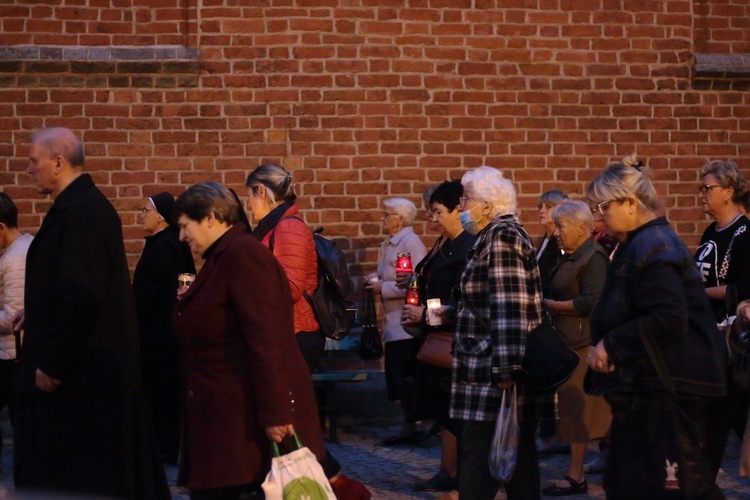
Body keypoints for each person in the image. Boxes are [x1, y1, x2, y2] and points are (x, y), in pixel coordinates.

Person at [13, 127, 170, 498]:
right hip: (81, 378)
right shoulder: (76, 209)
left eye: (34, 161)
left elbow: (81, 296)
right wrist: (34, 314)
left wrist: (53, 365)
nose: (30, 169)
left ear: (58, 162)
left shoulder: (83, 213)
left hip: (83, 382)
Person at [173, 181, 333, 498]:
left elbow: (269, 339)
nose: (182, 236)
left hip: (242, 425)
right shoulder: (222, 257)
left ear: (209, 217)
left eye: (185, 225)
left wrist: (276, 414)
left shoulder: (243, 256)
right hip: (226, 417)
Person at [586, 159, 726, 498]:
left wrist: (612, 345)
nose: (599, 215)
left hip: (671, 393)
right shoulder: (639, 243)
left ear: (631, 203)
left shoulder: (655, 245)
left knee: (677, 490)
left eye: (604, 206)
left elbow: (668, 317)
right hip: (650, 392)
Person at [245, 163, 371, 500]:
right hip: (288, 334)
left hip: (297, 335)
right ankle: (319, 483)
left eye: (249, 197)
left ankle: (339, 485)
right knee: (288, 420)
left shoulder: (287, 228)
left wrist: (242, 290)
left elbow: (288, 287)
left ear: (261, 192)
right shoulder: (276, 226)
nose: (249, 206)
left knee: (288, 420)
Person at [450, 166, 554, 500]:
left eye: (466, 198)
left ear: (486, 205)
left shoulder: (503, 237)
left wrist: (506, 369)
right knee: (517, 456)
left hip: (494, 369)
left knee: (481, 458)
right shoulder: (491, 236)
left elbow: (510, 307)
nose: (461, 206)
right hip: (487, 361)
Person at [400, 180, 477, 493]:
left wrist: (429, 315)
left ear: (457, 210)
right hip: (433, 336)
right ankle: (448, 471)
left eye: (437, 212)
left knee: (454, 411)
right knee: (442, 408)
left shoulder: (467, 247)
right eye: (430, 213)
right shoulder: (443, 244)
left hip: (454, 341)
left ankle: (465, 478)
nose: (432, 219)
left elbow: (468, 302)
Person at [541, 200, 611, 496]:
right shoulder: (569, 255)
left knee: (580, 415)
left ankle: (576, 476)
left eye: (561, 226)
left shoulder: (593, 257)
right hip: (567, 345)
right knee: (574, 413)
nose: (556, 232)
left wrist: (555, 306)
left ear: (582, 228)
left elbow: (592, 301)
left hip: (583, 345)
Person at [693, 159, 750, 479]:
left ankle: (703, 484)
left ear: (728, 192)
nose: (702, 194)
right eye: (701, 188)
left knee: (722, 412)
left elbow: (744, 286)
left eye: (708, 188)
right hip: (710, 335)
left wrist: (698, 293)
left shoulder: (744, 234)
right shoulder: (709, 230)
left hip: (734, 340)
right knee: (726, 414)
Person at [133, 191, 195, 464]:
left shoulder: (165, 247)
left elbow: (150, 293)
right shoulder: (166, 243)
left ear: (160, 217)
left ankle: (167, 447)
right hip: (164, 333)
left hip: (160, 335)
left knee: (163, 392)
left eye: (146, 211)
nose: (142, 216)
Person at [366, 197, 427, 446]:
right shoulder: (391, 244)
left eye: (387, 214)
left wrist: (382, 287)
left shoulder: (406, 244)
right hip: (393, 322)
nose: (383, 219)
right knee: (397, 376)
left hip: (405, 322)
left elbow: (410, 284)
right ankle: (409, 423)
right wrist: (374, 280)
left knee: (406, 376)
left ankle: (414, 425)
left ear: (400, 219)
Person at [0, 193, 33, 451]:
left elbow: (14, 316)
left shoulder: (16, 258)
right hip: (11, 352)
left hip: (13, 354)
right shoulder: (16, 250)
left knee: (23, 425)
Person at [536, 189, 568, 289]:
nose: (542, 211)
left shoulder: (561, 240)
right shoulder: (543, 239)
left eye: (548, 207)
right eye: (540, 206)